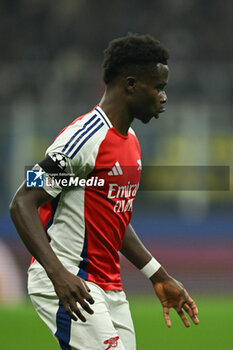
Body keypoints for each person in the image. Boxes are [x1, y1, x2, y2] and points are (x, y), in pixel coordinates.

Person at [10, 33, 199, 350]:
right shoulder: (83, 139)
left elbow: (115, 219)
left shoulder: (132, 143)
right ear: (130, 85)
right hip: (69, 278)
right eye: (159, 87)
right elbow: (22, 201)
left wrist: (158, 275)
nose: (164, 97)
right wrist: (59, 275)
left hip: (109, 288)